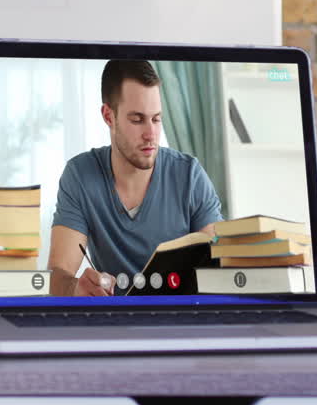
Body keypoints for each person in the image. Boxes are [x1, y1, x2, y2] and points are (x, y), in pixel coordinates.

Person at [48, 60, 223, 296]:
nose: (151, 134)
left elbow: (220, 271)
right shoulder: (80, 176)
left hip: (179, 322)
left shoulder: (191, 177)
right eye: (137, 119)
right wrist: (76, 288)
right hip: (111, 324)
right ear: (109, 116)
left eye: (156, 119)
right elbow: (57, 275)